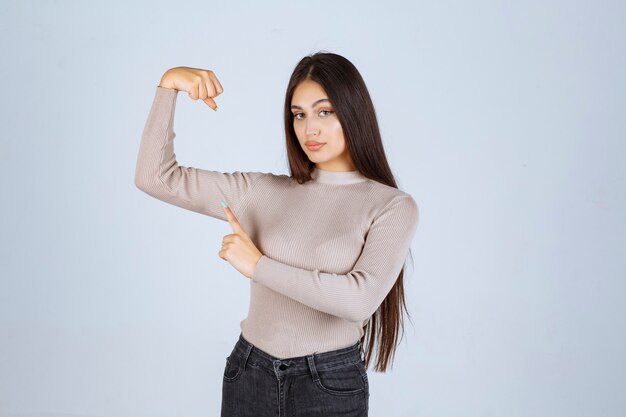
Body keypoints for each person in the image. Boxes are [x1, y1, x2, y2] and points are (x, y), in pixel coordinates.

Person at [135, 51, 419, 417]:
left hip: (328, 384)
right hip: (250, 373)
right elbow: (155, 177)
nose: (309, 129)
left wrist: (258, 266)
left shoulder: (391, 206)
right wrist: (169, 85)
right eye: (298, 114)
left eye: (324, 111)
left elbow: (358, 301)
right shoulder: (262, 192)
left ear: (354, 112)